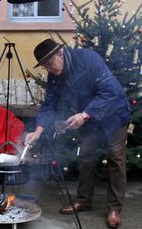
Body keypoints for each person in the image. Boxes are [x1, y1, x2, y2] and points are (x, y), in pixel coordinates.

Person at [25, 39, 130, 229]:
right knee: (86, 156)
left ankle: (114, 209)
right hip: (90, 120)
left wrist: (85, 113)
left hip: (114, 115)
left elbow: (111, 91)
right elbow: (49, 105)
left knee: (116, 158)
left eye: (50, 63)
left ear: (60, 53)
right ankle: (83, 200)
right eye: (44, 66)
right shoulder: (54, 77)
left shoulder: (89, 60)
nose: (48, 69)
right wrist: (38, 131)